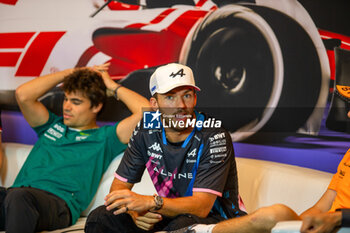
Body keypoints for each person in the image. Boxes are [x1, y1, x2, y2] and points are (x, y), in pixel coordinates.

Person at [84, 63, 247, 232]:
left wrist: (151, 202)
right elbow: (119, 188)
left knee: (179, 227)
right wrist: (134, 212)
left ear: (195, 98)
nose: (181, 106)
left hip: (218, 220)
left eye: (187, 95)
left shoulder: (213, 135)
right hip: (171, 213)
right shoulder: (145, 129)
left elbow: (201, 207)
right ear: (154, 103)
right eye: (170, 97)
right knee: (100, 218)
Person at [165, 86, 350, 233]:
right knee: (274, 215)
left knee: (270, 216)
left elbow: (201, 206)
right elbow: (323, 205)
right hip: (326, 226)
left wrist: (338, 218)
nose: (348, 114)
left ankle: (198, 232)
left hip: (340, 226)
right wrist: (299, 227)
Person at [0, 63, 150, 233]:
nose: (67, 107)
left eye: (76, 102)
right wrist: (73, 73)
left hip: (58, 204)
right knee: (15, 196)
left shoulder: (106, 137)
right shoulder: (50, 125)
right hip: (15, 197)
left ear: (96, 106)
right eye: (66, 99)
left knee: (19, 197)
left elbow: (147, 113)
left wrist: (112, 87)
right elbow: (23, 95)